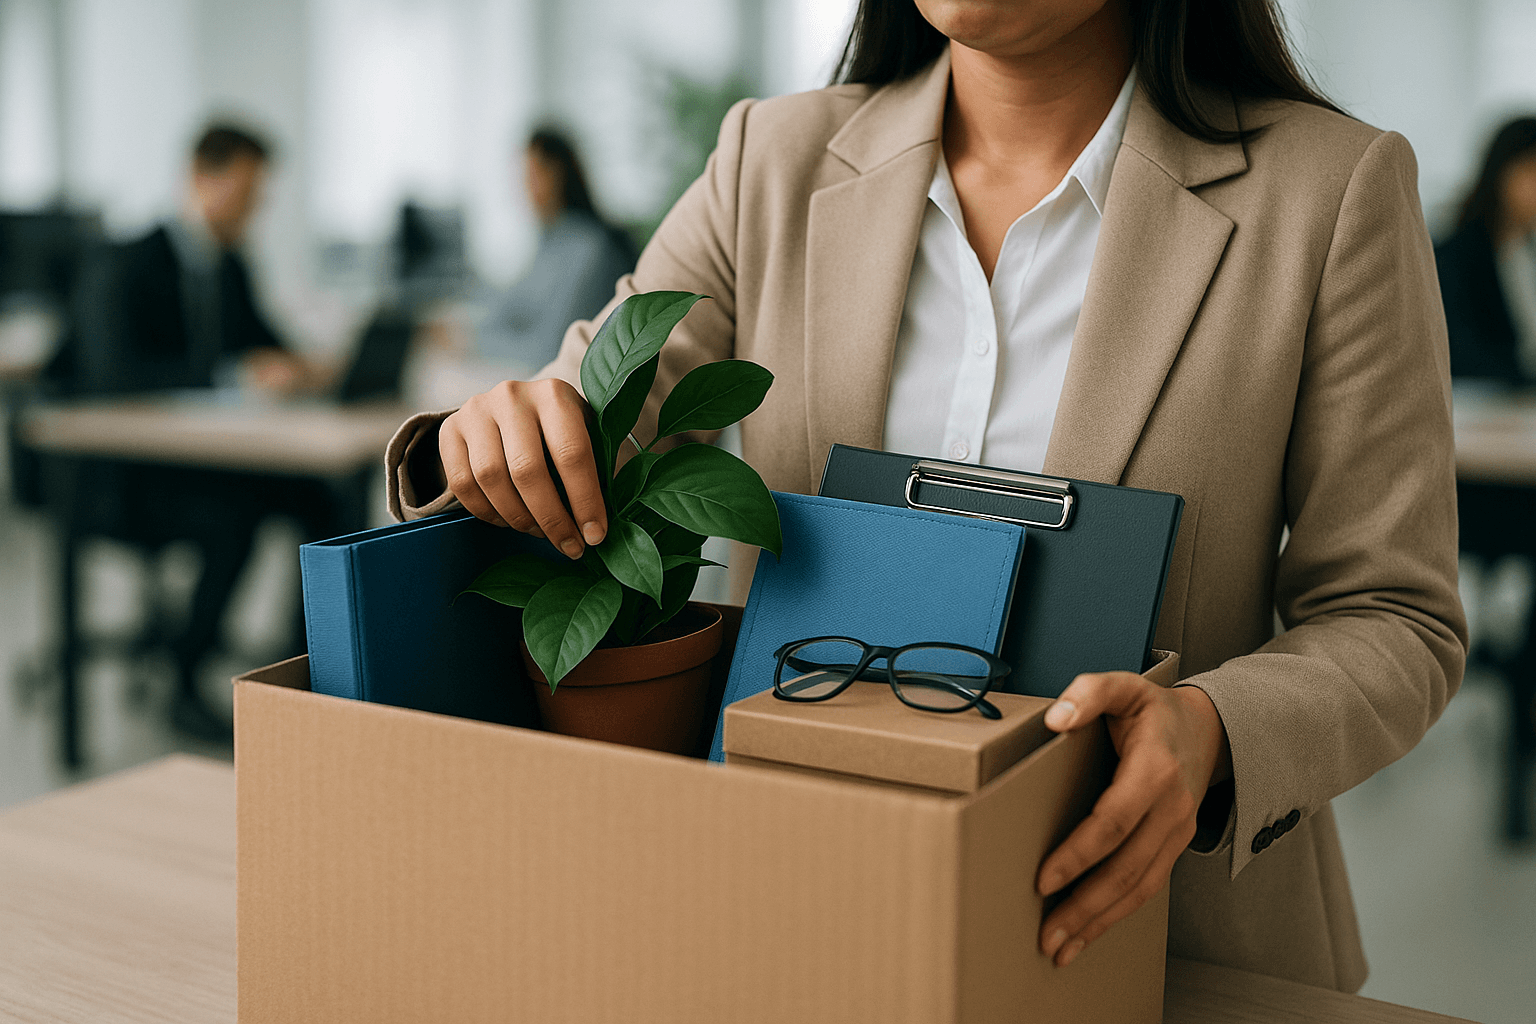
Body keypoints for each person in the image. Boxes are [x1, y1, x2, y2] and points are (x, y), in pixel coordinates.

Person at [383, 0, 1464, 991]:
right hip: (798, 912)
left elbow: (1394, 614)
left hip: (1158, 942)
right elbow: (595, 407)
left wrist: (1215, 731)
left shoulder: (1329, 190)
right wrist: (498, 439)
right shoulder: (772, 160)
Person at [59, 122, 328, 740]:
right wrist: (233, 374)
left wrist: (306, 367)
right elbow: (112, 376)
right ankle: (183, 676)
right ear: (202, 179)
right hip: (122, 476)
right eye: (246, 194)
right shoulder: (123, 262)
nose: (254, 211)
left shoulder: (229, 266)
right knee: (233, 517)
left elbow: (266, 341)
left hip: (205, 462)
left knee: (320, 498)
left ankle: (306, 664)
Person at [473, 127, 636, 370]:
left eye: (534, 174)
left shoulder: (588, 248)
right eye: (524, 176)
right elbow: (511, 306)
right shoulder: (549, 244)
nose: (526, 187)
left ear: (559, 173)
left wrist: (473, 343)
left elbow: (550, 349)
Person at [1436, 117, 1536, 384]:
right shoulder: (1455, 258)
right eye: (1532, 169)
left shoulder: (1526, 252)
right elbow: (1463, 352)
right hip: (1483, 400)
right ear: (1501, 172)